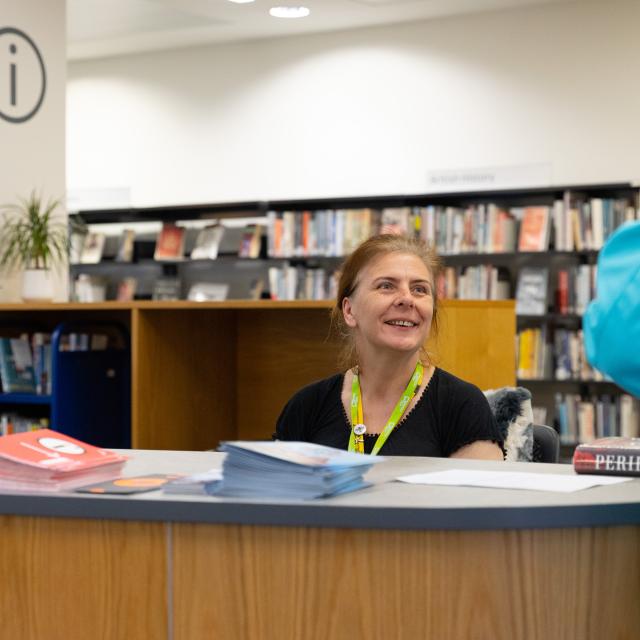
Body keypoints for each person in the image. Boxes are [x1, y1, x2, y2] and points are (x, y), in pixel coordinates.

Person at [275, 234, 504, 459]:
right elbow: (276, 493)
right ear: (349, 310)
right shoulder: (307, 406)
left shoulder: (462, 405)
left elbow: (481, 496)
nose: (407, 298)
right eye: (386, 286)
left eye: (420, 289)